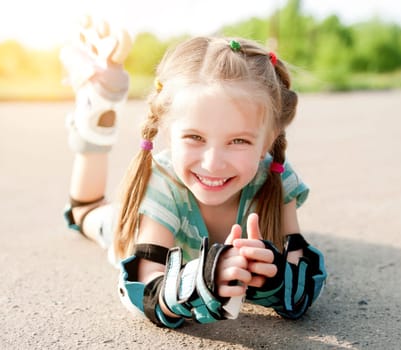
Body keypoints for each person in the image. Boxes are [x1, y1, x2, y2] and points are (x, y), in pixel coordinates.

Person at [61, 17, 327, 329]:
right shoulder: (161, 185)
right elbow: (145, 283)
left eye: (238, 140)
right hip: (135, 220)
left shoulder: (276, 178)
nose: (213, 163)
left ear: (268, 141)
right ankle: (97, 108)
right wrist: (203, 279)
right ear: (167, 131)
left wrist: (270, 276)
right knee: (86, 211)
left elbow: (301, 276)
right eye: (194, 138)